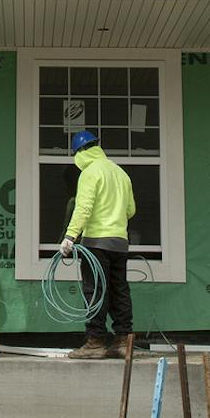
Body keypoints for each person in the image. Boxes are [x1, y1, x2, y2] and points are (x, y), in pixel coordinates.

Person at [59, 128, 136, 359]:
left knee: (95, 292)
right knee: (119, 289)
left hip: (96, 243)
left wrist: (70, 237)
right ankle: (124, 340)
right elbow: (131, 210)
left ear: (80, 152)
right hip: (120, 242)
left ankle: (95, 342)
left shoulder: (91, 173)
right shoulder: (121, 173)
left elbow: (83, 207)